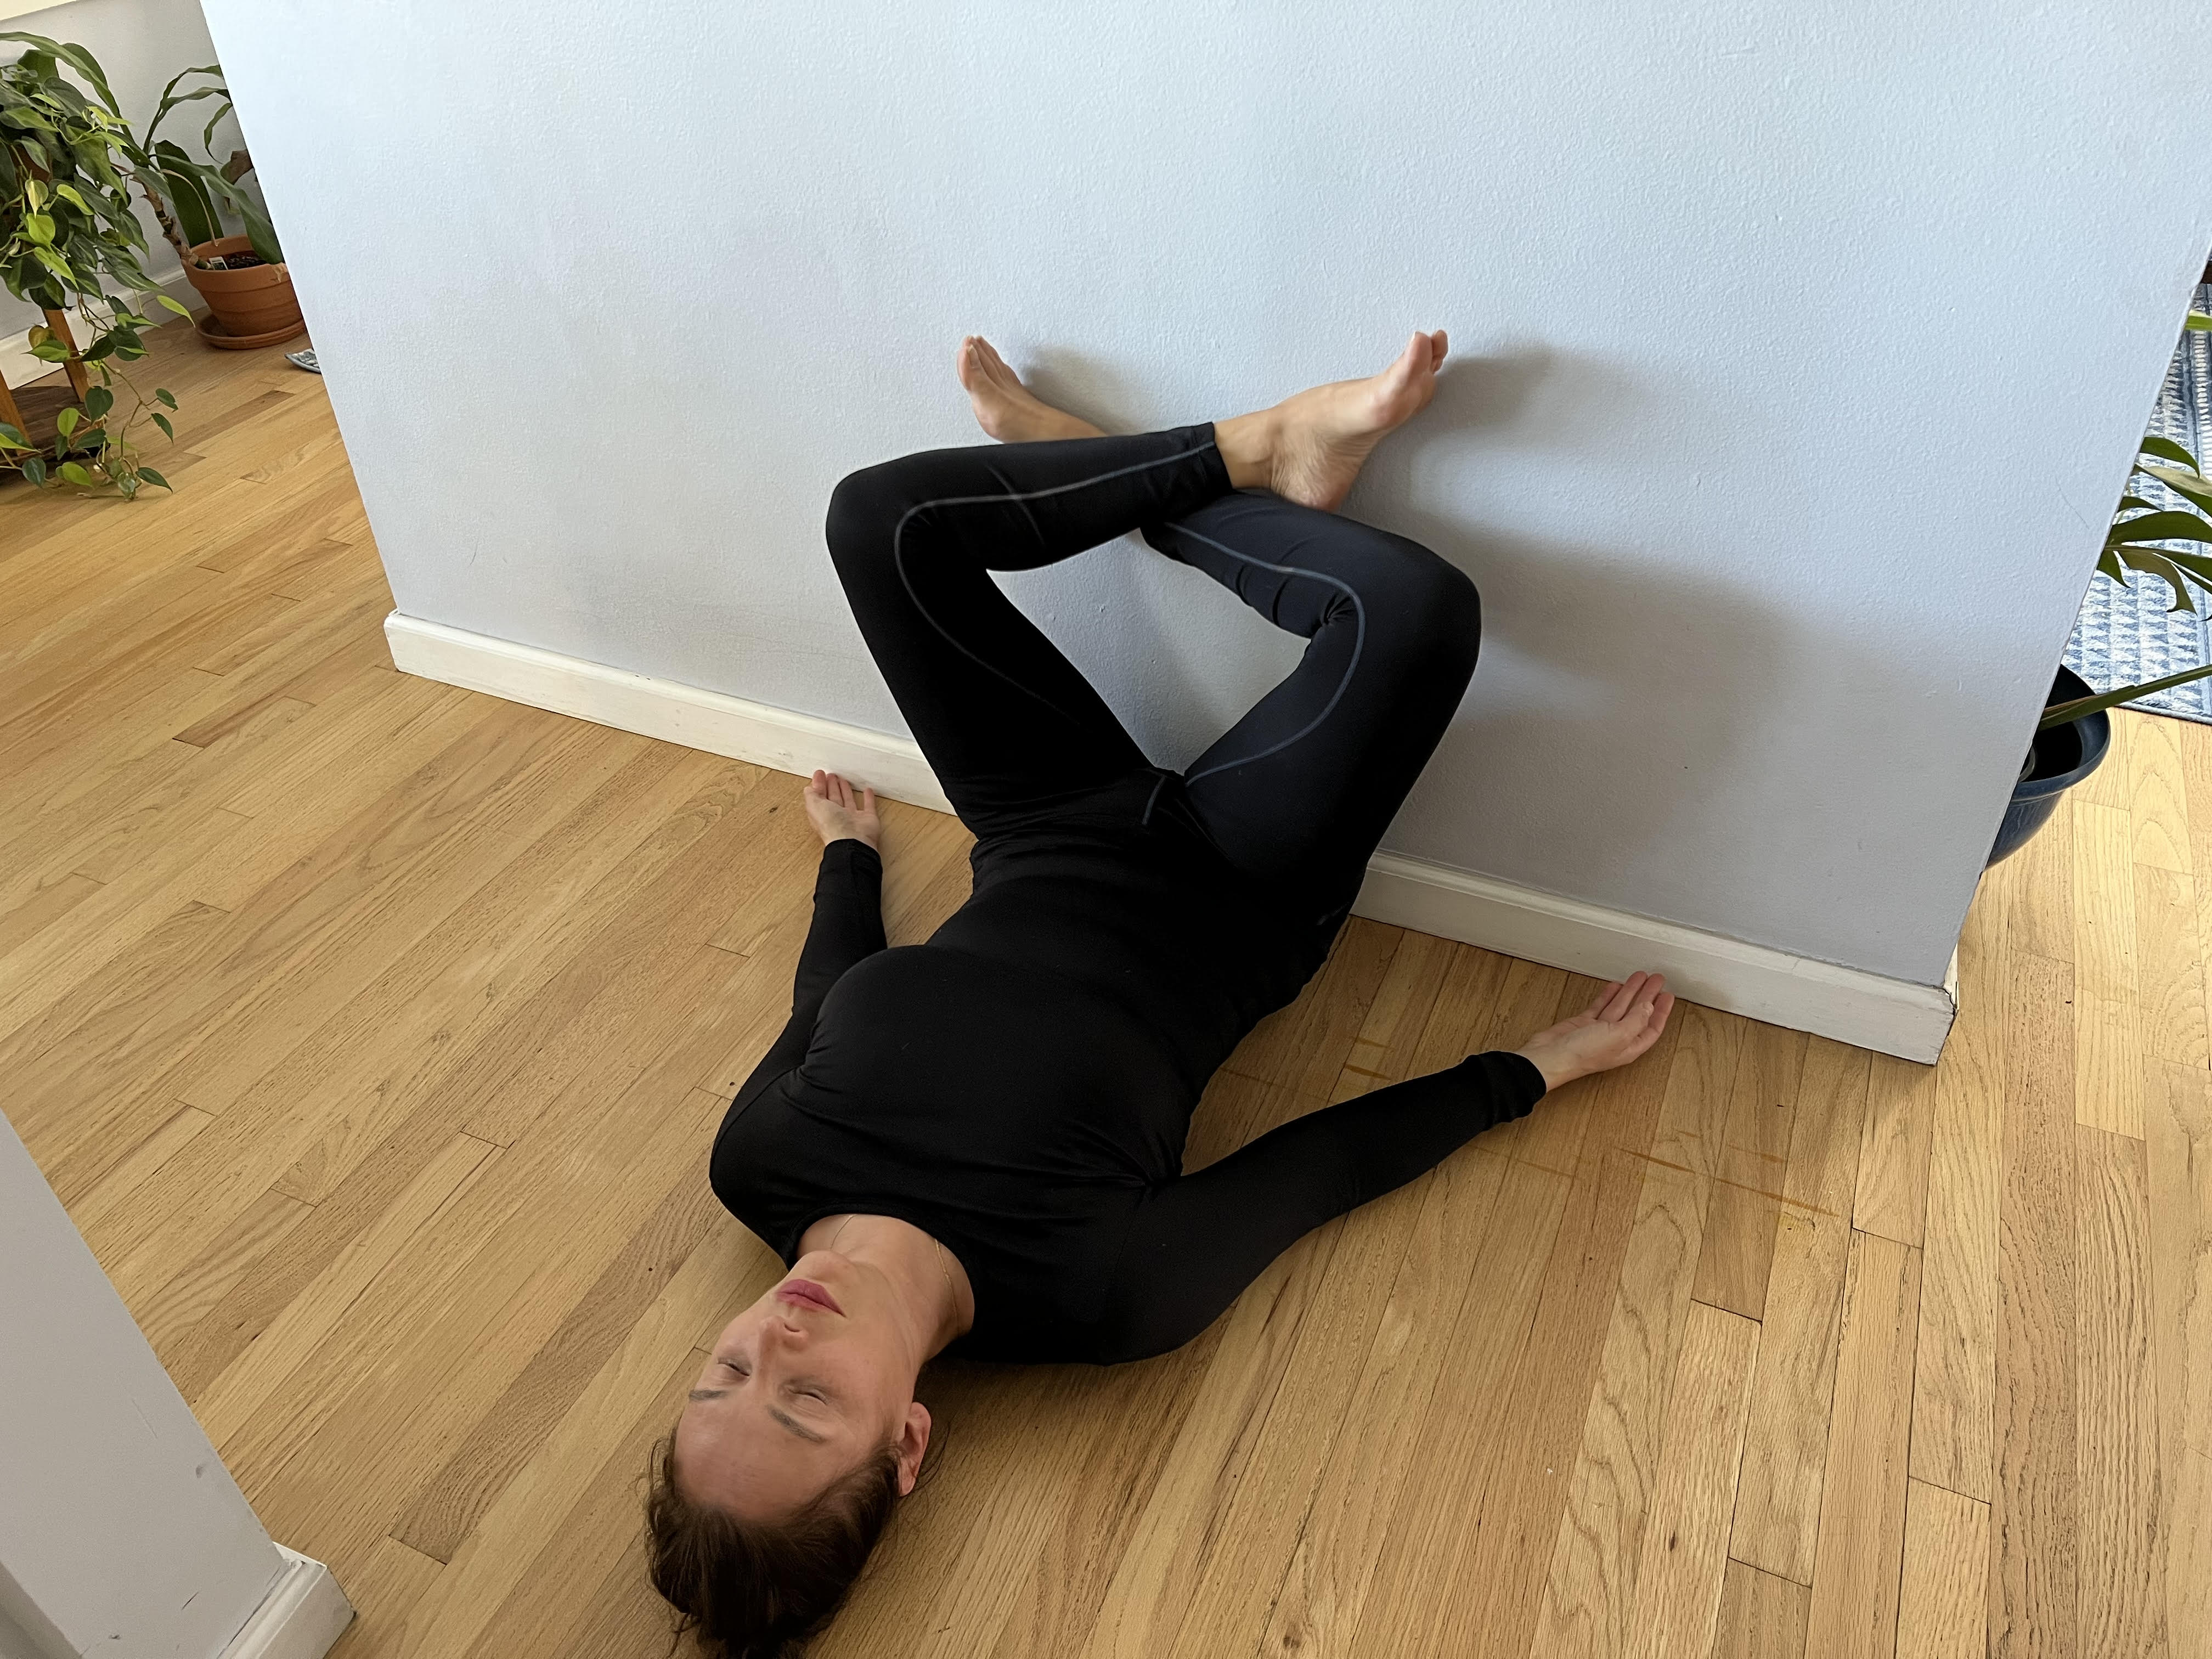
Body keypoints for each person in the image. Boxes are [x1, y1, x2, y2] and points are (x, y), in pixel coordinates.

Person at [644, 331, 1675, 1656]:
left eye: (726, 1374)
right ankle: (1120, 464)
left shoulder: (757, 1165)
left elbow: (827, 998)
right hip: (1242, 888)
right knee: (1414, 609)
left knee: (879, 523)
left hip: (1039, 825)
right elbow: (1319, 1171)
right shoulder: (1101, 1292)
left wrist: (849, 862)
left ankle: (1230, 452)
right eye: (806, 1407)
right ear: (907, 1443)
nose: (776, 1344)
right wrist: (1538, 1068)